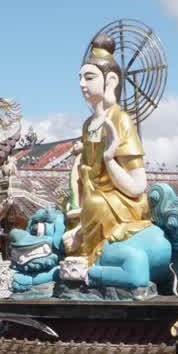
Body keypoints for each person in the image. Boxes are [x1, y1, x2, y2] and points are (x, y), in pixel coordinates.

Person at [66, 34, 152, 267]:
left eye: (89, 77)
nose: (82, 84)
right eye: (80, 78)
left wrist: (109, 160)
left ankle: (91, 263)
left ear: (111, 81)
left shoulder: (121, 119)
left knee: (94, 204)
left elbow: (137, 186)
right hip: (92, 197)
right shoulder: (88, 124)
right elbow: (88, 171)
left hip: (120, 201)